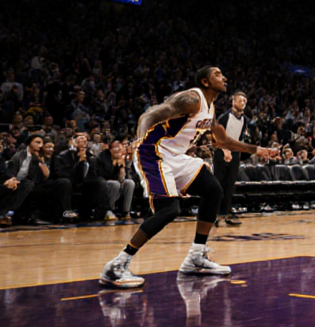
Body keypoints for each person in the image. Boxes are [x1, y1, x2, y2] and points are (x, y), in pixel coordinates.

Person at [98, 66, 279, 289]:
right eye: (217, 75)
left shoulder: (210, 109)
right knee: (169, 209)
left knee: (214, 190)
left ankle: (196, 256)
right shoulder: (191, 98)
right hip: (152, 153)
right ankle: (116, 265)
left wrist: (258, 150)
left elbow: (222, 141)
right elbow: (150, 115)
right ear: (205, 81)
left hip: (175, 157)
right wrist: (140, 138)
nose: (224, 77)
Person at [214, 90, 252, 226]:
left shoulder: (245, 120)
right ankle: (214, 214)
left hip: (235, 153)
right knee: (219, 184)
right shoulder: (224, 118)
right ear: (233, 101)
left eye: (245, 101)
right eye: (240, 100)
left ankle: (226, 213)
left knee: (230, 185)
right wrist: (225, 150)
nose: (243, 103)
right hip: (221, 151)